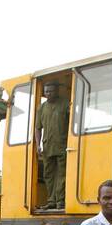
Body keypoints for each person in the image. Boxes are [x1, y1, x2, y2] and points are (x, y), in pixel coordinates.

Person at [37, 81, 69, 210]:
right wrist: (37, 145)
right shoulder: (42, 108)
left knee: (62, 173)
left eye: (50, 91)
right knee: (48, 174)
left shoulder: (65, 103)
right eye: (46, 92)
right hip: (47, 145)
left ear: (56, 91)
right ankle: (51, 200)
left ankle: (60, 201)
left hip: (62, 144)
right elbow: (38, 128)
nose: (48, 94)